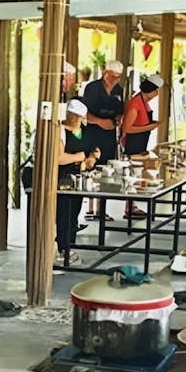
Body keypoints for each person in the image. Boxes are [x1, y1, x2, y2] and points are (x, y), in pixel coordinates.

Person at [55, 99, 100, 265]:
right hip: (62, 179)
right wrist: (78, 157)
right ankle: (63, 248)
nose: (75, 119)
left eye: (78, 117)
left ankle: (70, 246)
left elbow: (94, 150)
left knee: (74, 214)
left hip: (79, 178)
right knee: (64, 215)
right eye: (72, 116)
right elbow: (58, 158)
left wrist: (92, 158)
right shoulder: (60, 132)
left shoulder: (85, 131)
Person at [82, 60, 125, 221]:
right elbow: (85, 113)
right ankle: (91, 207)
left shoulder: (118, 90)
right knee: (91, 167)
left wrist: (119, 120)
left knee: (106, 169)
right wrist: (100, 121)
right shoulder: (92, 88)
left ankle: (101, 209)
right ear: (105, 74)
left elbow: (120, 110)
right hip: (92, 132)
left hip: (109, 135)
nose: (115, 80)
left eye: (118, 77)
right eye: (113, 76)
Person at [120, 74, 163, 219]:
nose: (157, 94)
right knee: (133, 174)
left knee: (137, 174)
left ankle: (133, 205)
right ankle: (129, 207)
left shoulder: (144, 103)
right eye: (156, 90)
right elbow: (127, 128)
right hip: (133, 144)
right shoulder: (135, 104)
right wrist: (150, 127)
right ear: (151, 90)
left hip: (141, 143)